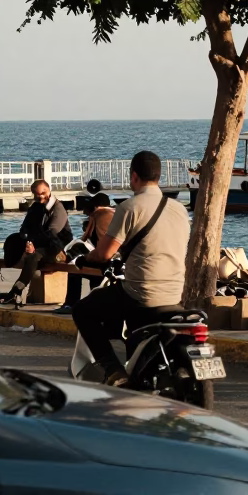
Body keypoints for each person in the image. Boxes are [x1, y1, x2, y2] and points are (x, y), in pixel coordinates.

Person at [73, 151, 190, 386]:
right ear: (158, 176)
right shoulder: (179, 210)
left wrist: (84, 259)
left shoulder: (129, 207)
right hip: (175, 293)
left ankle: (113, 370)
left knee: (83, 311)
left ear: (133, 176)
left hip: (141, 293)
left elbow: (104, 253)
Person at [0, 180, 73, 305]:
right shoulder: (35, 207)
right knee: (18, 245)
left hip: (57, 247)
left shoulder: (58, 209)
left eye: (43, 193)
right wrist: (28, 242)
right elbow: (24, 228)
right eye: (37, 194)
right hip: (38, 244)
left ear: (49, 190)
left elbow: (52, 233)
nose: (41, 196)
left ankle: (16, 291)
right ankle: (16, 292)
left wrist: (33, 244)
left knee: (33, 257)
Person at [55, 193, 116, 315]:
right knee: (86, 263)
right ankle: (96, 302)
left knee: (74, 268)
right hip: (116, 261)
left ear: (96, 206)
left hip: (104, 261)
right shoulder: (118, 214)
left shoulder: (98, 215)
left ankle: (70, 304)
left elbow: (85, 239)